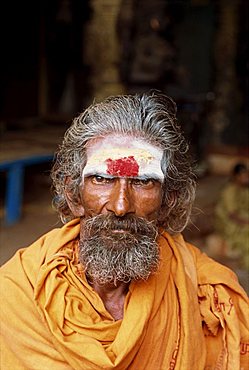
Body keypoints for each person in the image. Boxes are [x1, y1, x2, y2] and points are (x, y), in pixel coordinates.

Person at [0, 92, 248, 370]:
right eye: (102, 179)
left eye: (143, 182)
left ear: (169, 201)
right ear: (74, 196)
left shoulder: (208, 295)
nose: (120, 206)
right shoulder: (18, 291)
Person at [214, 162, 249, 269]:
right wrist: (246, 222)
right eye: (243, 175)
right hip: (230, 223)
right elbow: (232, 215)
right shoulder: (229, 191)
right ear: (236, 176)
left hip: (242, 217)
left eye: (246, 175)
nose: (246, 178)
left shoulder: (244, 189)